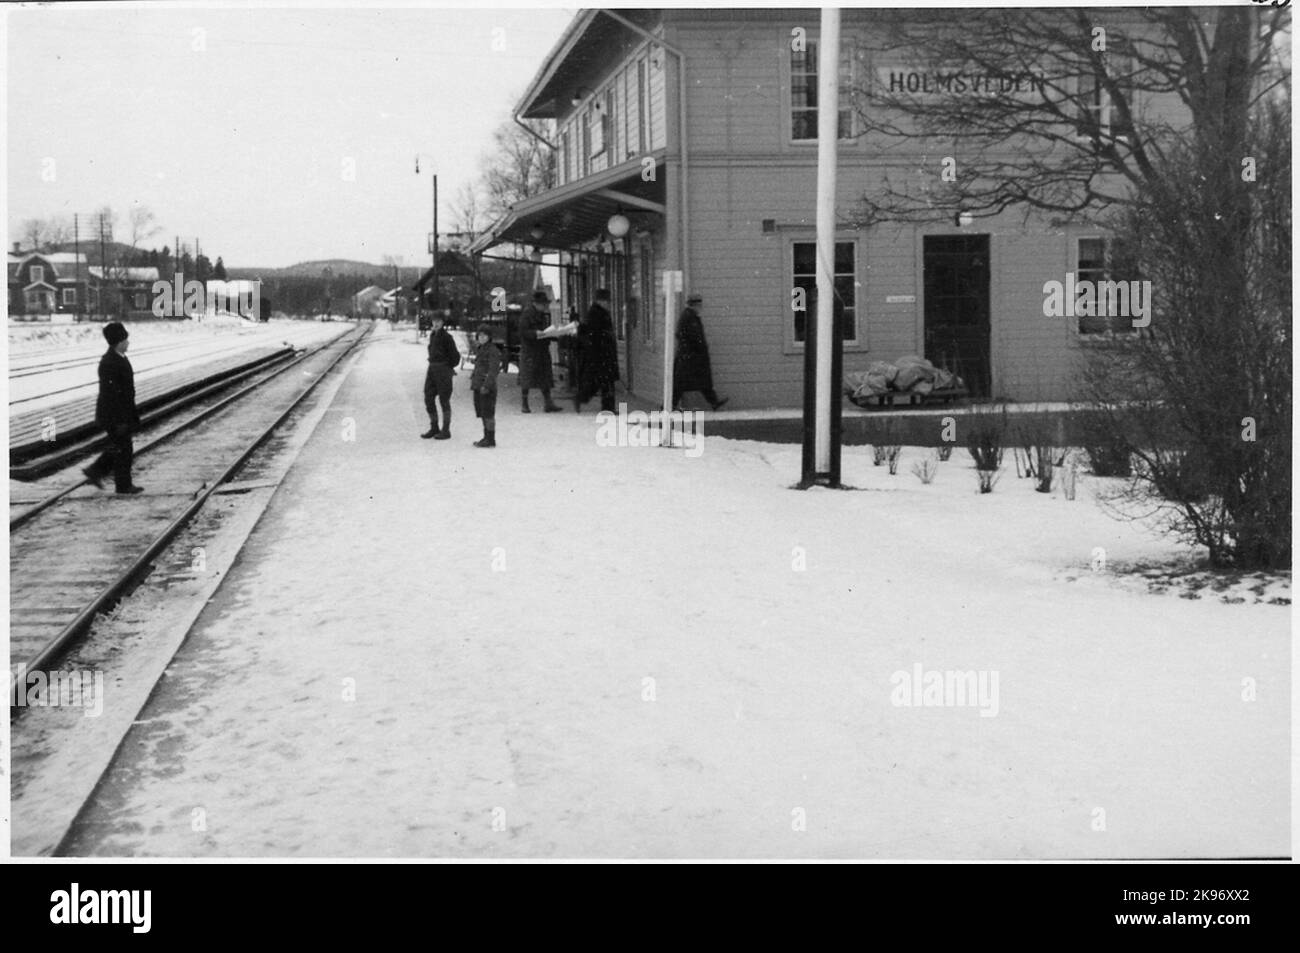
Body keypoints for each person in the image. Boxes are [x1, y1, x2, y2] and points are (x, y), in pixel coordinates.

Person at [82, 321, 144, 494]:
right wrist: (120, 420)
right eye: (125, 339)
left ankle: (95, 471)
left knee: (120, 447)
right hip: (113, 415)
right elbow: (111, 396)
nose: (128, 342)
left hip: (120, 413)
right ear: (118, 341)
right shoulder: (109, 362)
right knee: (124, 449)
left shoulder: (118, 358)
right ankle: (122, 485)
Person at [673, 293, 728, 411]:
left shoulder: (688, 316)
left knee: (693, 382)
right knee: (685, 382)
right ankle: (669, 405)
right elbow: (694, 337)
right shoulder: (690, 318)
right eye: (699, 305)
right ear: (696, 305)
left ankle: (713, 401)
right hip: (691, 358)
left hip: (689, 357)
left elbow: (681, 335)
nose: (701, 307)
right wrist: (698, 349)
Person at [574, 288, 620, 412]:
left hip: (603, 353)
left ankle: (606, 406)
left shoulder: (598, 312)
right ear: (601, 301)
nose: (608, 303)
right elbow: (595, 335)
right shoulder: (596, 314)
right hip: (601, 353)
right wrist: (604, 342)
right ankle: (583, 398)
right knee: (602, 382)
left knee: (603, 382)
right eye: (606, 301)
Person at [517, 290, 562, 413]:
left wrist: (555, 335)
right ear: (536, 304)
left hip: (542, 349)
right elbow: (522, 332)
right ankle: (524, 404)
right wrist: (535, 333)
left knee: (545, 377)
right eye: (543, 304)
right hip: (530, 350)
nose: (545, 307)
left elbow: (546, 330)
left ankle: (548, 403)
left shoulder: (542, 315)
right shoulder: (526, 315)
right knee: (527, 378)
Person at [421, 312, 461, 440]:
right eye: (434, 321)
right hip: (432, 369)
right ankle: (434, 427)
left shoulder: (447, 338)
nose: (436, 323)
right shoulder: (433, 335)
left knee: (444, 400)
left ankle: (446, 430)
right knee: (428, 397)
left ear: (443, 322)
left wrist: (447, 367)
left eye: (439, 321)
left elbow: (455, 357)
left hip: (443, 371)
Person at [470, 324, 501, 447]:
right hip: (479, 385)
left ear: (489, 337)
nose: (482, 338)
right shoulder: (481, 348)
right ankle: (486, 436)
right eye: (480, 335)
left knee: (488, 413)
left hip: (487, 387)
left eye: (484, 335)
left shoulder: (492, 350)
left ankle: (490, 438)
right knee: (483, 412)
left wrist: (487, 385)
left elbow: (493, 370)